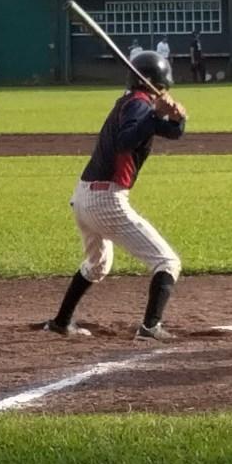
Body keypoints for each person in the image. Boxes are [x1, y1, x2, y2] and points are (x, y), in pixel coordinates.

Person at [39, 50, 187, 341]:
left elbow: (172, 133)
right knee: (167, 261)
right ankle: (150, 328)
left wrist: (177, 117)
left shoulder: (133, 102)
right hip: (106, 200)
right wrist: (156, 113)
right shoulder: (139, 105)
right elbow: (125, 140)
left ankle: (60, 322)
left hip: (84, 196)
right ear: (157, 83)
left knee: (98, 265)